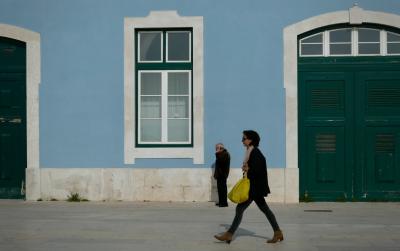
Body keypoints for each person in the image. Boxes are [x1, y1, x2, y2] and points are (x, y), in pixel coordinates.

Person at [214, 130, 283, 244]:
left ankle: (229, 234)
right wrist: (248, 168)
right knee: (265, 210)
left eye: (244, 138)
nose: (242, 140)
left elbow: (258, 169)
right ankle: (277, 232)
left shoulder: (255, 152)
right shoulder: (250, 151)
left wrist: (248, 169)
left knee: (240, 209)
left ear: (250, 140)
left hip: (255, 188)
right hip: (255, 188)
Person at [213, 143, 230, 207]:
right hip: (220, 174)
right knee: (220, 189)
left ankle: (224, 203)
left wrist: (217, 153)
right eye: (216, 148)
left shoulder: (225, 154)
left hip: (223, 174)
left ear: (221, 148)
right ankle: (221, 202)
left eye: (217, 148)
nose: (216, 149)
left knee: (223, 189)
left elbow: (221, 161)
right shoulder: (222, 154)